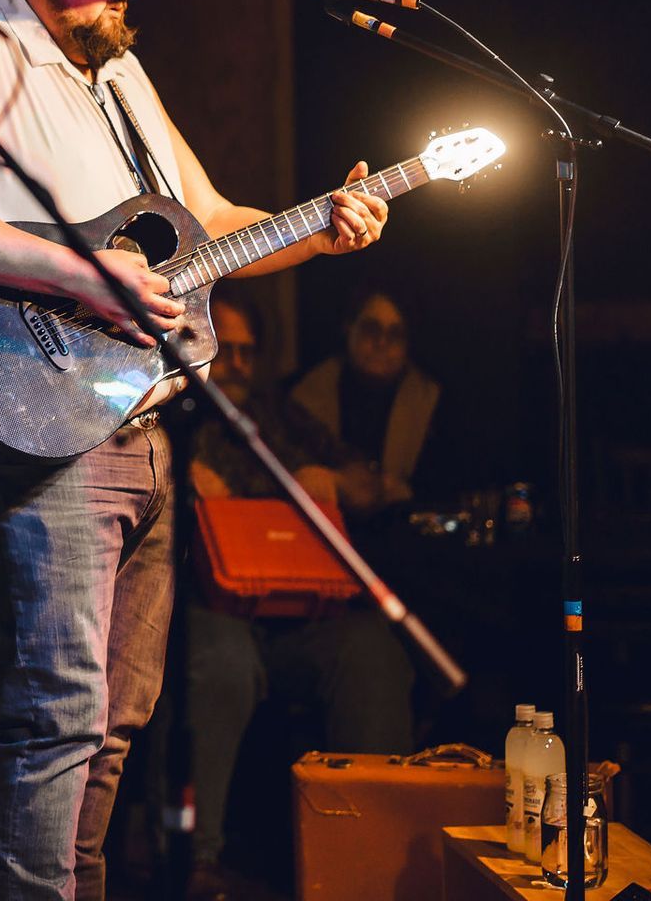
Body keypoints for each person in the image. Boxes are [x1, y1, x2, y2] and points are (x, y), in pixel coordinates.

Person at [0, 0, 392, 900]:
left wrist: (323, 230)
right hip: (35, 422)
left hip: (137, 420)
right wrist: (83, 276)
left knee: (111, 723)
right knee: (59, 714)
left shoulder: (115, 71)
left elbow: (218, 226)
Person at [174, 290, 414, 900]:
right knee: (222, 665)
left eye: (251, 354)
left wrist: (333, 482)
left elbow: (377, 485)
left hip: (302, 610)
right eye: (228, 351)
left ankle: (380, 854)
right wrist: (180, 487)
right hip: (211, 609)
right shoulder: (171, 413)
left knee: (372, 652)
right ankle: (202, 859)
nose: (239, 366)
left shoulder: (283, 417)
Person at [288, 288, 455, 509]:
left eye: (395, 334)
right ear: (349, 328)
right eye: (371, 330)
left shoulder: (433, 404)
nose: (382, 343)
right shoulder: (303, 397)